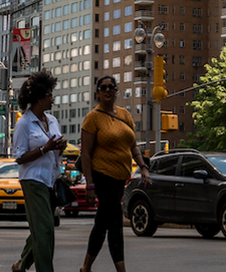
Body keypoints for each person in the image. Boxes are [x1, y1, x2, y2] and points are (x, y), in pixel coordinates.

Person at [81, 74, 150, 272]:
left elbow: (134, 147)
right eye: (103, 88)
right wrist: (90, 184)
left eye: (111, 86)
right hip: (103, 177)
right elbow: (85, 154)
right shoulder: (93, 118)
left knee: (102, 223)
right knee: (115, 223)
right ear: (97, 93)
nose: (108, 90)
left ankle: (86, 268)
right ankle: (121, 270)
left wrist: (143, 167)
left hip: (120, 179)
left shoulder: (124, 115)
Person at [11, 70, 66, 272]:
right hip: (33, 180)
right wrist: (45, 148)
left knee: (41, 228)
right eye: (49, 95)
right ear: (39, 98)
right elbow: (19, 157)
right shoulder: (24, 123)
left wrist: (61, 146)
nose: (52, 98)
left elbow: (55, 146)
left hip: (51, 180)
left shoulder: (52, 120)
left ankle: (22, 264)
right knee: (45, 230)